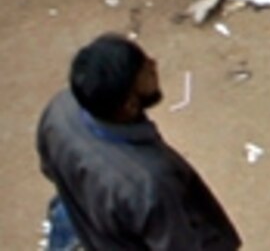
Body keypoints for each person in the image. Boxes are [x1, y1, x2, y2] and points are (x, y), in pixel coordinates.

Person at [35, 37, 238, 251]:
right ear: (130, 106)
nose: (154, 64)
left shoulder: (60, 111)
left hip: (84, 225)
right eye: (146, 71)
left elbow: (49, 169)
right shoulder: (150, 182)